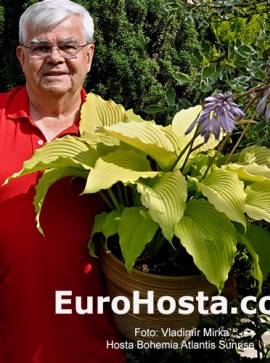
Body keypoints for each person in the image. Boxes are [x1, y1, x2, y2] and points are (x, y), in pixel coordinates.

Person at [0, 1, 126, 362]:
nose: (55, 58)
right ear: (22, 57)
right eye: (41, 47)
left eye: (68, 46)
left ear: (88, 56)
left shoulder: (120, 137)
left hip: (95, 350)